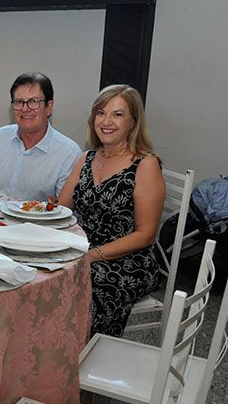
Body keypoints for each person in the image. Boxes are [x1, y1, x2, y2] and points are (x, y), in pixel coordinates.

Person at [58, 84, 165, 337]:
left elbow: (146, 234)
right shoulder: (86, 158)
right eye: (101, 113)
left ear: (133, 122)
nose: (107, 121)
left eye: (118, 114)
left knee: (84, 289)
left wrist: (92, 256)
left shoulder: (145, 164)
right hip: (83, 249)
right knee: (43, 278)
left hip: (131, 260)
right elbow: (61, 208)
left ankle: (86, 352)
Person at [0, 72, 81, 200]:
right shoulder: (0, 137)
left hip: (37, 214)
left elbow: (61, 208)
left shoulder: (68, 153)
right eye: (19, 102)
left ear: (49, 107)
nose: (25, 109)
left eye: (34, 101)